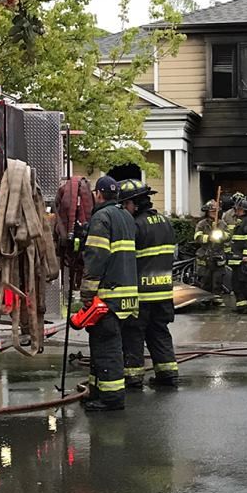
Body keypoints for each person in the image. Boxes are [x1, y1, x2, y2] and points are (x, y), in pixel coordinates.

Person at [80, 176, 139, 411]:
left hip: (107, 296)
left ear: (98, 194)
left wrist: (87, 294)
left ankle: (111, 398)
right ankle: (97, 390)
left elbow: (96, 257)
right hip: (126, 297)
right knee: (102, 344)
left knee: (107, 347)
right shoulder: (126, 216)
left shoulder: (101, 217)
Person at [118, 179, 179, 390]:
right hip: (163, 291)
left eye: (125, 204)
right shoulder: (165, 221)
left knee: (134, 334)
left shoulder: (135, 225)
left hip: (141, 293)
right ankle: (168, 373)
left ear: (134, 203)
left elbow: (127, 258)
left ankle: (133, 377)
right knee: (159, 331)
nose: (124, 208)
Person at [193, 199, 226, 305]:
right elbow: (197, 237)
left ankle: (217, 299)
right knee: (205, 278)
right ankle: (205, 298)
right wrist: (208, 238)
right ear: (207, 212)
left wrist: (221, 236)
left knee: (218, 279)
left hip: (218, 254)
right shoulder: (202, 224)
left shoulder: (222, 224)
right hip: (205, 255)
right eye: (211, 211)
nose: (213, 213)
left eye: (215, 211)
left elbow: (229, 235)